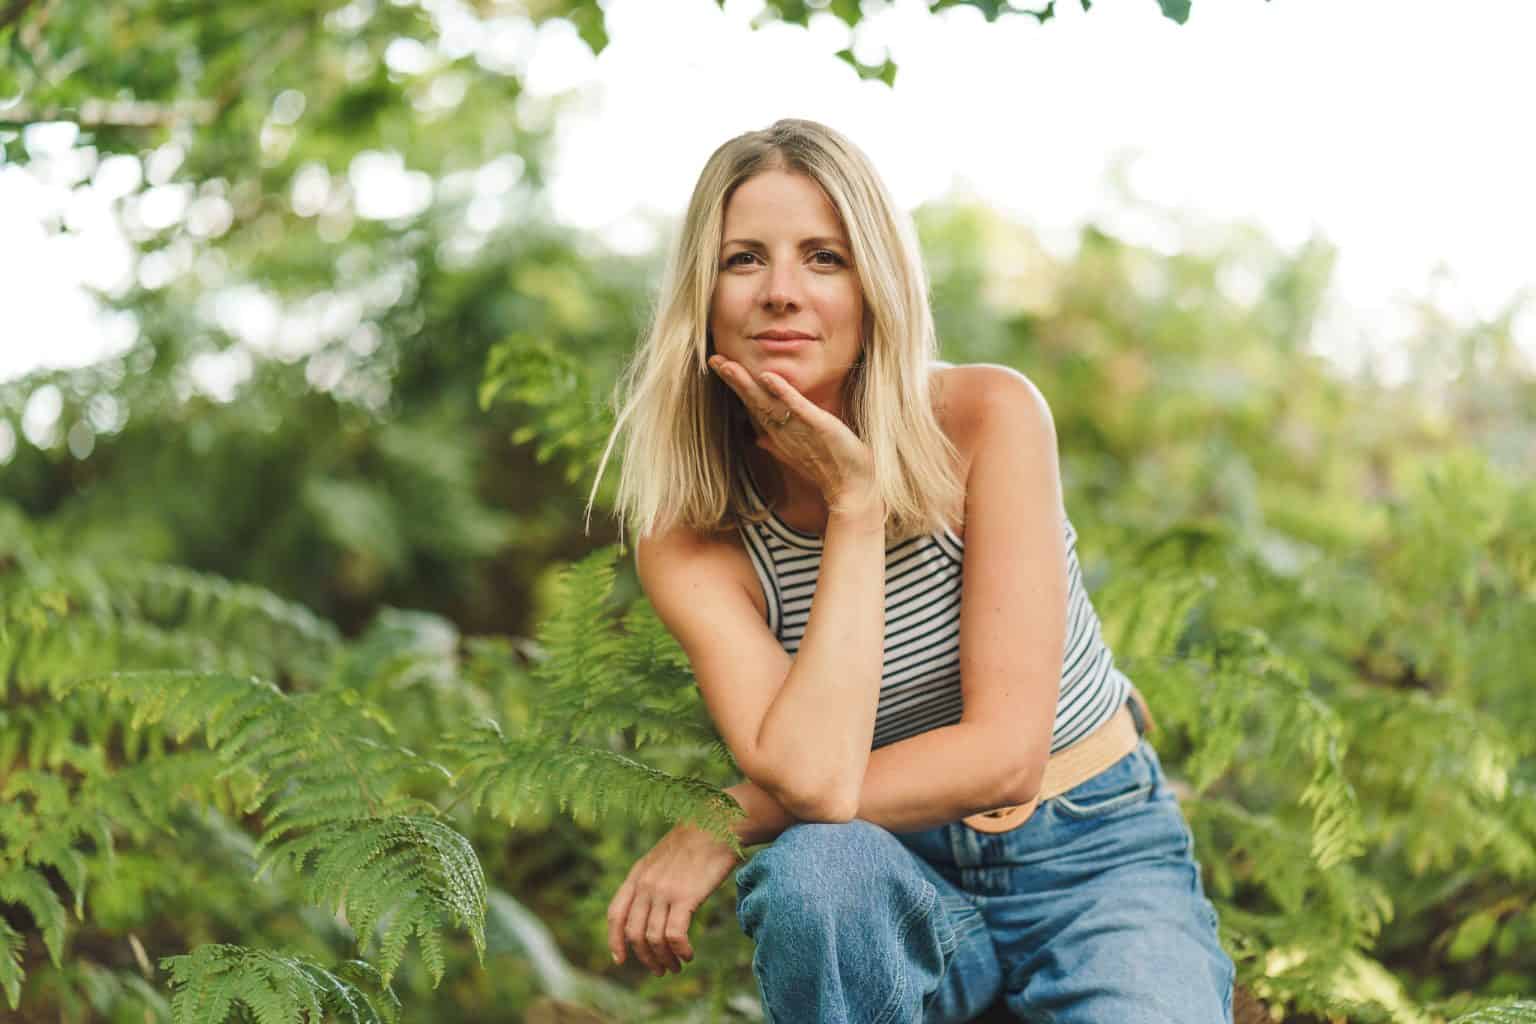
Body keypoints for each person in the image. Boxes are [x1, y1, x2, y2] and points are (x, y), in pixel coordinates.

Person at [586, 118, 1234, 1023]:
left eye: (824, 257)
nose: (782, 293)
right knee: (816, 873)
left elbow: (1007, 755)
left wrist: (724, 817)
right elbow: (814, 783)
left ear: (875, 284)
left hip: (1094, 855)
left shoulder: (986, 417)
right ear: (701, 293)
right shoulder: (691, 534)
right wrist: (854, 509)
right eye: (744, 260)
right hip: (896, 874)